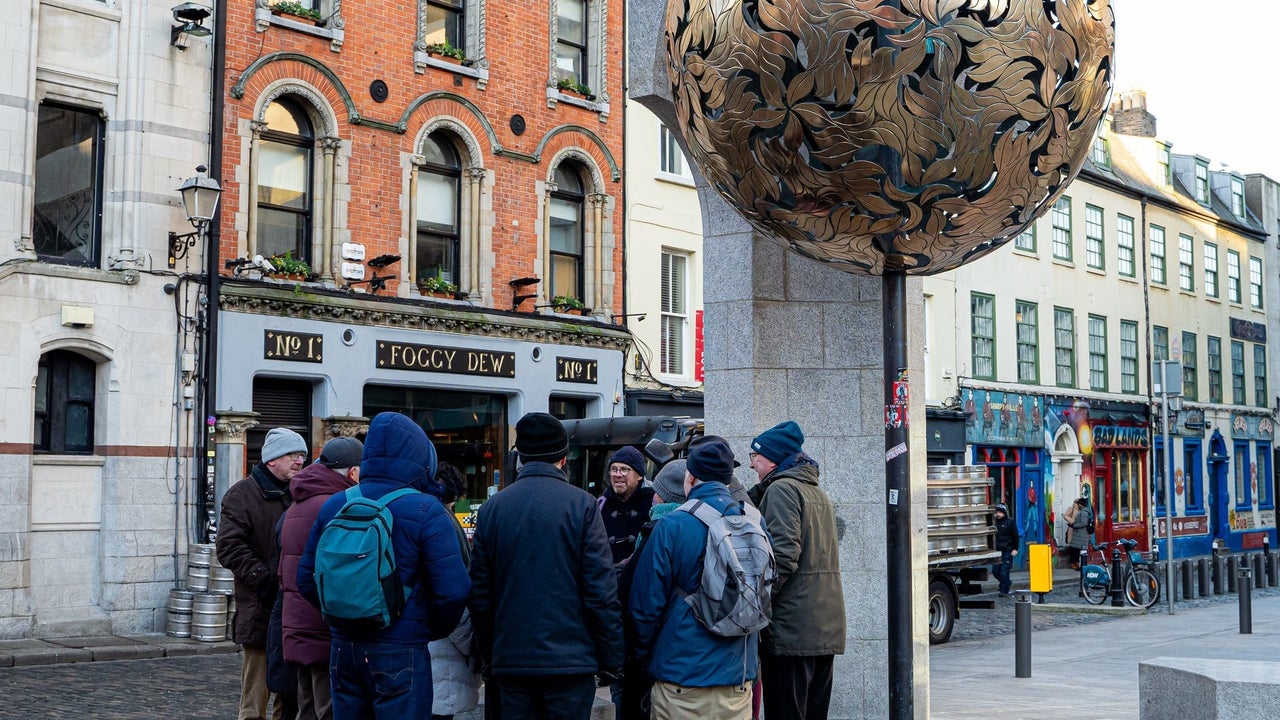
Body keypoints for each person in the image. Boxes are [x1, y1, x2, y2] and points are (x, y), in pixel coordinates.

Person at [297, 412, 471, 718]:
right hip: (401, 648)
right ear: (420, 457)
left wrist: (343, 616)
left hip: (344, 648)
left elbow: (307, 580)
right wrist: (424, 630)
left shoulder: (337, 503)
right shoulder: (426, 509)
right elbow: (453, 592)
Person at [469, 411, 624, 719]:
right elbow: (600, 591)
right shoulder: (582, 505)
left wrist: (489, 654)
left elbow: (480, 595)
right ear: (563, 458)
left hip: (512, 659)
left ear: (521, 457)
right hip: (570, 660)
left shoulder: (493, 509)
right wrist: (612, 658)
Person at [629, 437, 758, 719]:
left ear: (690, 477)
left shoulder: (672, 526)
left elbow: (645, 607)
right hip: (738, 683)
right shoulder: (754, 523)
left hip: (681, 680)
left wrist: (641, 657)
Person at [746, 421, 845, 720]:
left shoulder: (782, 490)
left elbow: (783, 558)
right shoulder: (815, 491)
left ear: (773, 459)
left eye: (755, 457)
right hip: (821, 627)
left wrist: (756, 602)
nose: (752, 464)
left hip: (792, 630)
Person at [217, 427, 307, 720]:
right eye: (292, 455)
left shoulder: (301, 494)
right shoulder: (242, 494)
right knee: (255, 698)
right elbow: (229, 547)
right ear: (271, 460)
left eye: (302, 455)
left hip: (293, 611)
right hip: (260, 607)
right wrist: (264, 580)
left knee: (290, 696)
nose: (299, 461)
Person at [277, 435, 363, 720]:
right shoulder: (336, 505)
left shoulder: (298, 502)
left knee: (307, 707)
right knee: (328, 708)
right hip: (323, 624)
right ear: (353, 472)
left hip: (297, 622)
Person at [429, 463, 482, 720]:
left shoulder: (412, 515)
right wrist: (474, 646)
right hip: (445, 654)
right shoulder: (446, 525)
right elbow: (453, 598)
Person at [600, 446, 656, 566]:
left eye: (624, 469)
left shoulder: (654, 503)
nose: (617, 474)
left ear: (639, 475)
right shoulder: (600, 504)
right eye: (614, 469)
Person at [992, 503, 1019, 597]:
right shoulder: (994, 523)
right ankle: (1007, 583)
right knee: (995, 571)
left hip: (1008, 550)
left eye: (1000, 512)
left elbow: (1016, 536)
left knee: (1004, 570)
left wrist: (1015, 549)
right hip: (997, 551)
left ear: (1004, 513)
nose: (998, 514)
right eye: (997, 512)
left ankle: (1004, 590)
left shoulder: (1010, 522)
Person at [1064, 497, 1093, 569]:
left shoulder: (1083, 512)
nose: (1078, 505)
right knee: (1075, 549)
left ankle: (1076, 563)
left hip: (1079, 534)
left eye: (1078, 504)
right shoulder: (1081, 511)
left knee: (1075, 550)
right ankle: (1076, 563)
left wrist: (1074, 525)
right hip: (1078, 534)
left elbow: (1083, 523)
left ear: (1080, 505)